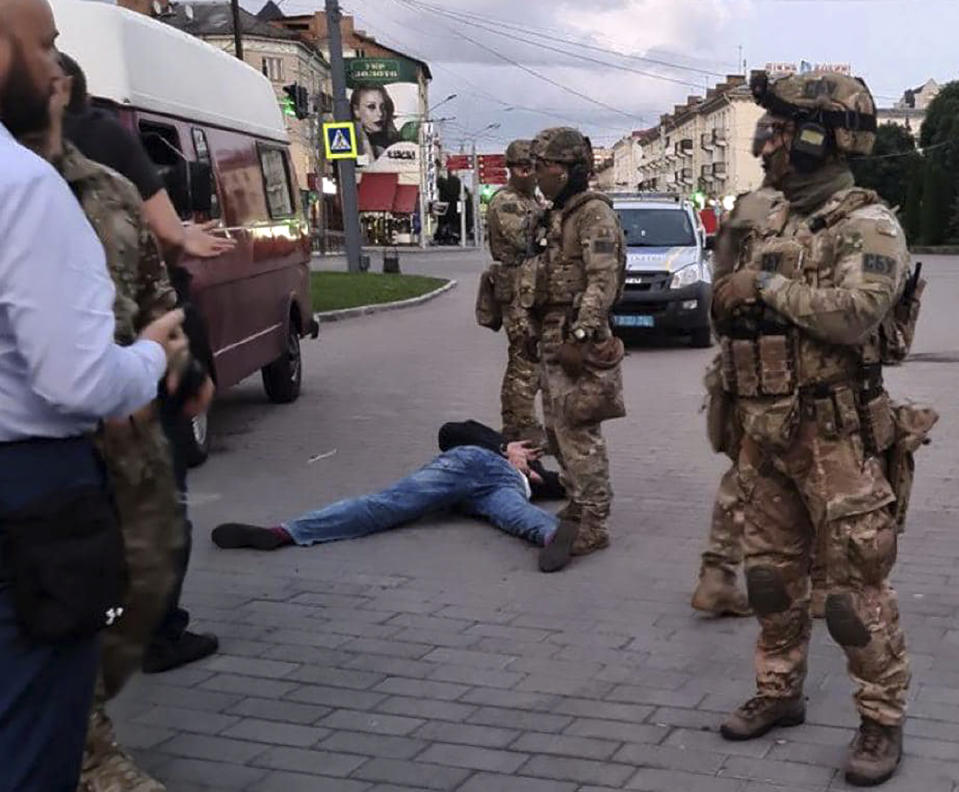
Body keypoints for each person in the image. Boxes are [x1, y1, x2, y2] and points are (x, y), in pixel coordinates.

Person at [711, 69, 936, 786]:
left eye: (780, 129)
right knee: (772, 579)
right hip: (764, 429)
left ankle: (879, 722)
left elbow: (853, 314)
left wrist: (767, 287)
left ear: (821, 137)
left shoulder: (867, 224)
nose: (769, 143)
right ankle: (778, 693)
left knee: (850, 594)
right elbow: (725, 302)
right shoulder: (767, 220)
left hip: (834, 434)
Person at [0, 0, 187, 787]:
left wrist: (185, 369)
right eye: (42, 48)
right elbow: (77, 380)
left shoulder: (105, 185)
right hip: (40, 479)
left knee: (135, 586)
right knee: (33, 713)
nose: (54, 71)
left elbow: (157, 283)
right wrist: (149, 360)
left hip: (97, 464)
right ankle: (83, 746)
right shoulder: (24, 187)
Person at [59, 52, 222, 677]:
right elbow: (165, 242)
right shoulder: (103, 139)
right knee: (157, 498)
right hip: (131, 358)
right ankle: (156, 632)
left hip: (53, 384)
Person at [211, 420, 565, 553]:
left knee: (517, 514)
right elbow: (448, 433)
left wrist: (541, 474)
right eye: (527, 445)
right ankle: (283, 533)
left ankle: (555, 537)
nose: (530, 451)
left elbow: (567, 484)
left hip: (494, 492)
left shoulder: (540, 474)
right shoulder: (488, 440)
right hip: (471, 465)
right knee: (388, 505)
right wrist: (504, 448)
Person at [526, 127, 626, 574]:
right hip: (553, 331)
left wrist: (581, 336)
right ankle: (576, 501)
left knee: (579, 428)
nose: (538, 176)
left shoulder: (593, 214)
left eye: (544, 168)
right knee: (557, 427)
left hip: (575, 337)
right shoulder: (559, 213)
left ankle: (595, 520)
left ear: (569, 170)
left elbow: (602, 280)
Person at [59, 53, 234, 263]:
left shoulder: (16, 142)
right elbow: (168, 234)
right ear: (74, 93)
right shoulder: (101, 131)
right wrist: (181, 236)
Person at [481, 139, 547, 446]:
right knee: (527, 359)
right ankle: (526, 429)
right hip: (517, 289)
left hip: (528, 286)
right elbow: (524, 239)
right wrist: (549, 223)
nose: (530, 174)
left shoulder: (531, 200)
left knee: (519, 359)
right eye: (524, 168)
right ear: (513, 170)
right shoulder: (506, 201)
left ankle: (512, 426)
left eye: (533, 168)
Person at [350, 83, 400, 160]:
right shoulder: (350, 142)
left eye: (383, 107)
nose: (380, 113)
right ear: (356, 110)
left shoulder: (394, 139)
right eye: (371, 107)